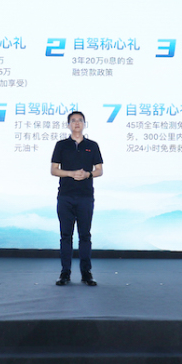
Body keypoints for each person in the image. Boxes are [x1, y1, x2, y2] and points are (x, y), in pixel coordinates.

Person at [50, 111, 103, 286]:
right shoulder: (61, 145)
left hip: (85, 197)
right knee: (66, 235)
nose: (77, 123)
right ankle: (65, 273)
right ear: (68, 125)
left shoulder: (92, 146)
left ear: (84, 124)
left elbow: (99, 170)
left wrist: (88, 174)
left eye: (80, 120)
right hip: (65, 196)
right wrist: (71, 174)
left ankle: (86, 273)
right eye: (73, 120)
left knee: (85, 235)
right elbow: (54, 170)